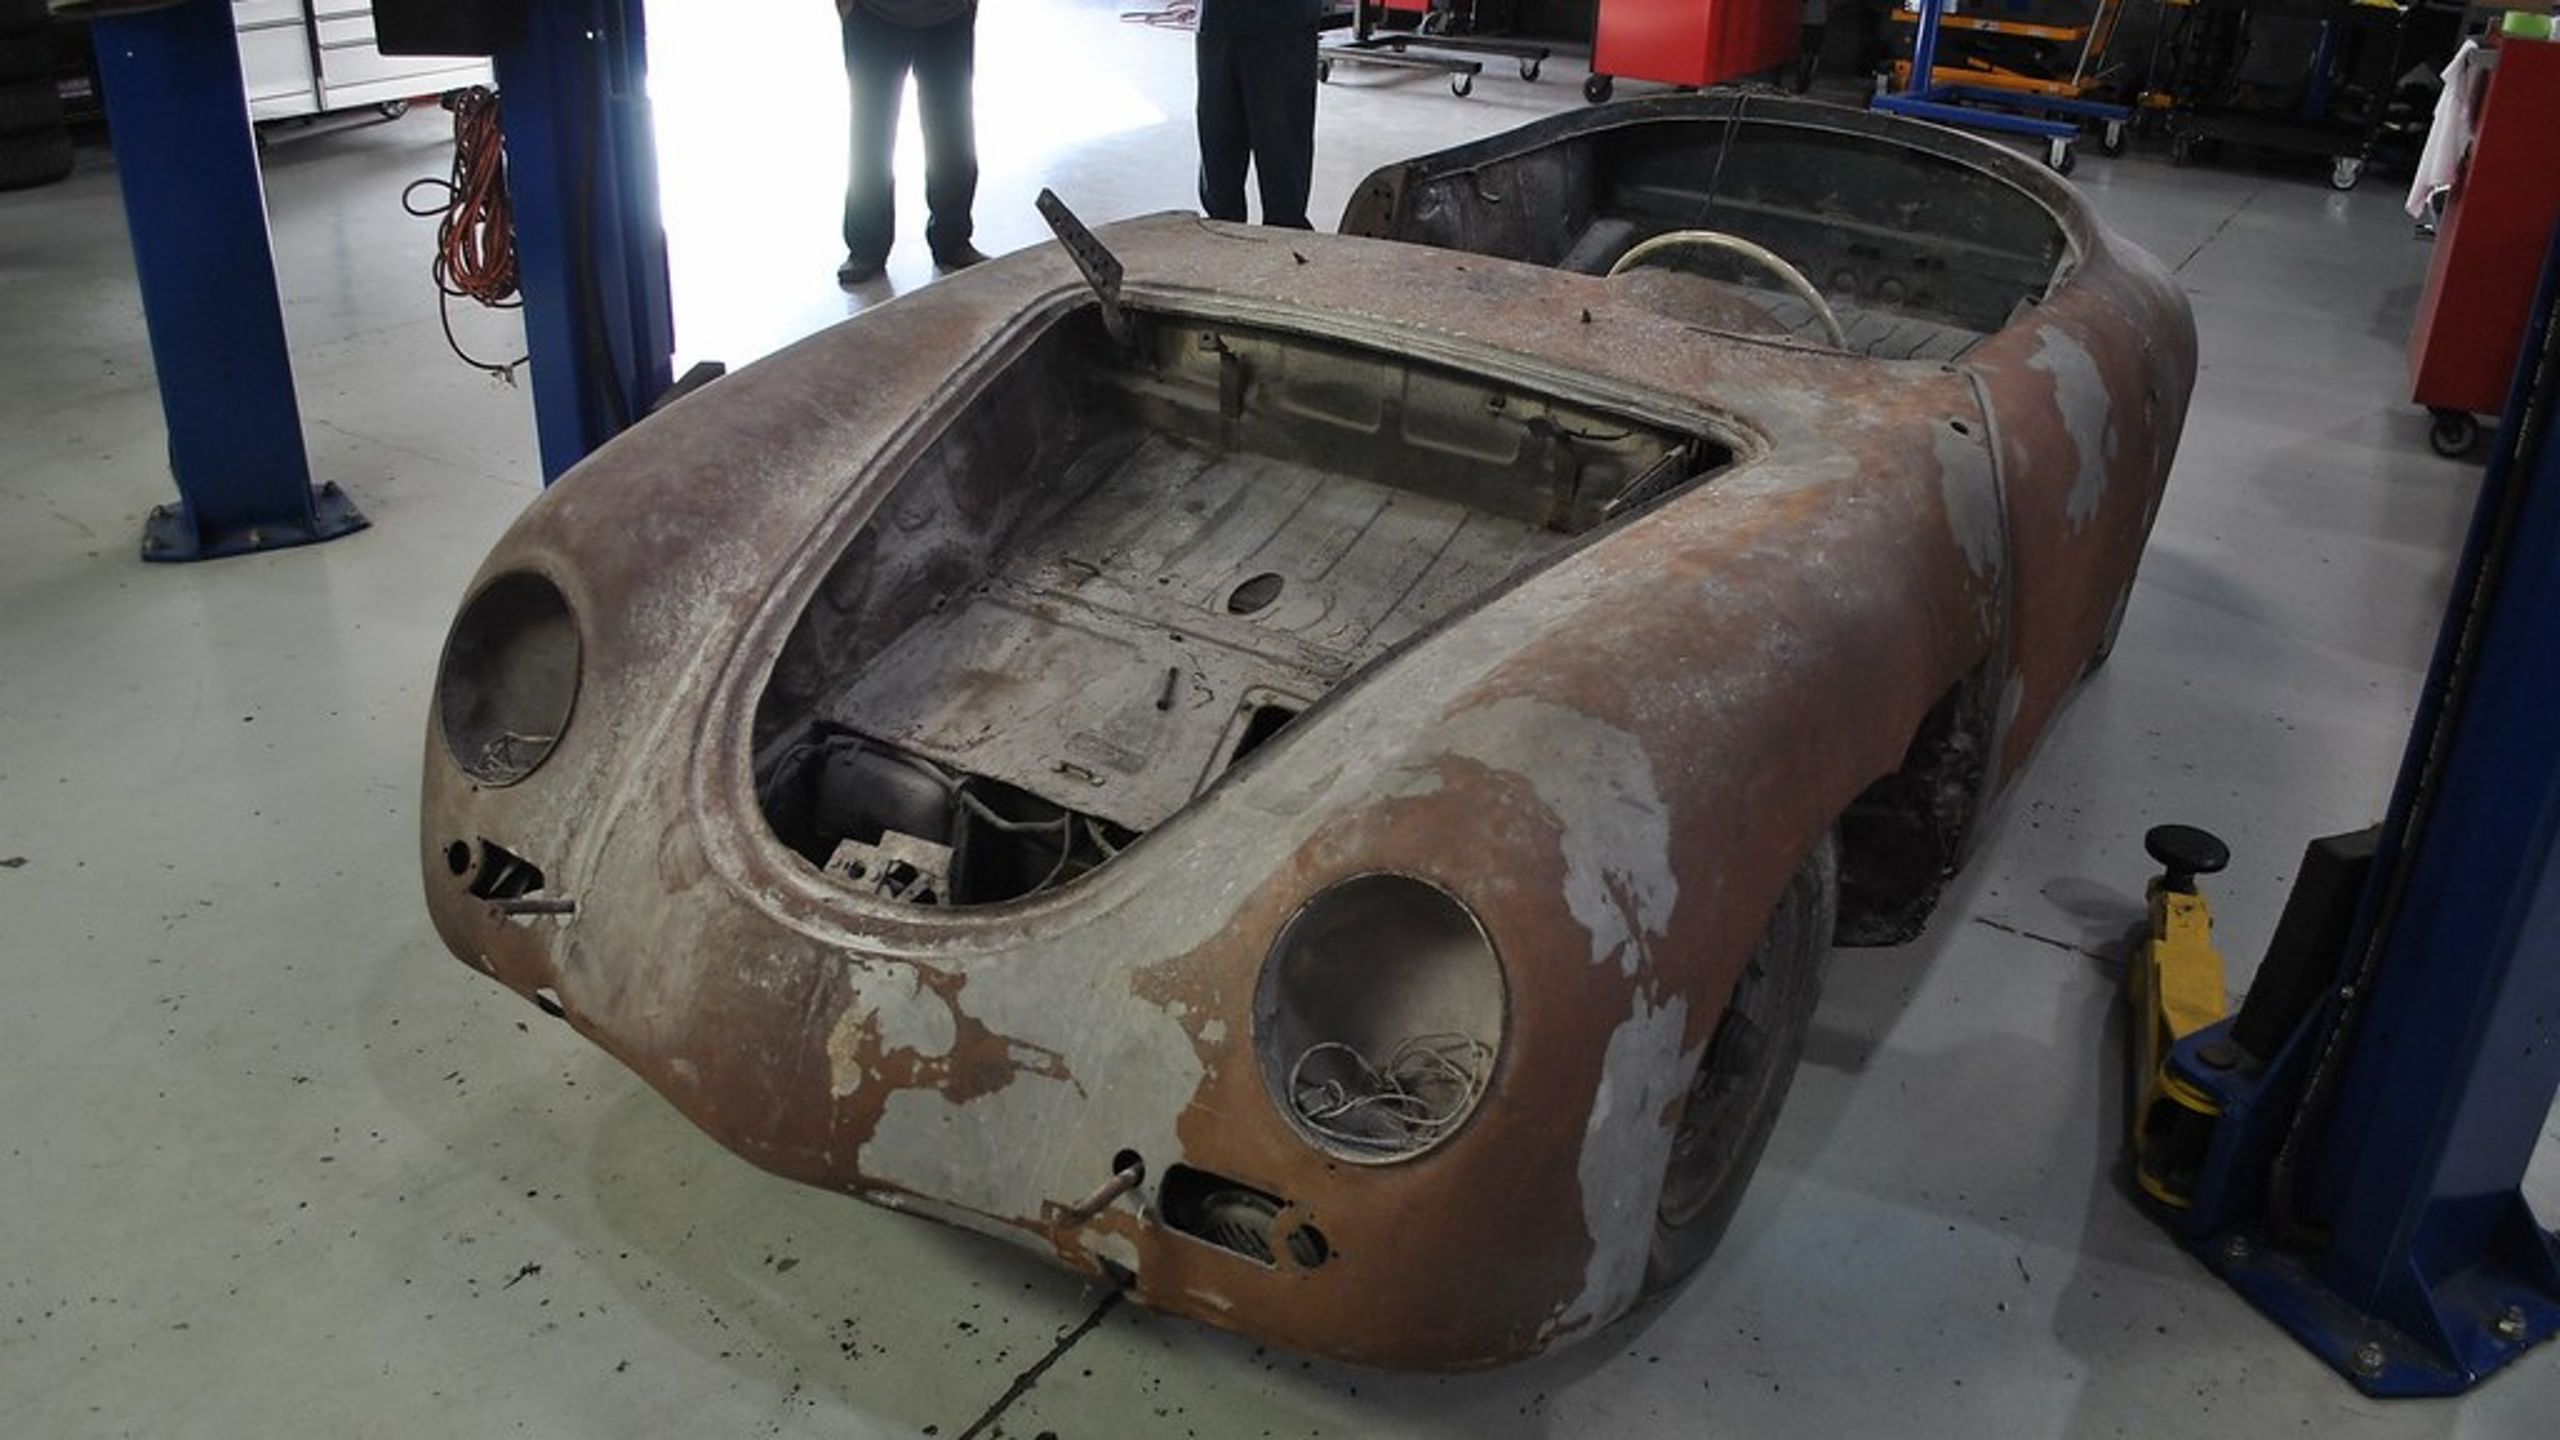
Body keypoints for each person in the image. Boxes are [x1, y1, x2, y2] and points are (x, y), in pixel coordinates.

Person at [836, 0, 986, 286]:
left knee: (953, 134)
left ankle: (953, 239)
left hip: (949, 17)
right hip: (874, 17)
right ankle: (866, 249)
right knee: (871, 136)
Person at [1194, 0, 1322, 230]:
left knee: (1281, 158)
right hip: (1217, 21)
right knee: (1218, 149)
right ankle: (1221, 239)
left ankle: (1285, 242)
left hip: (1282, 24)